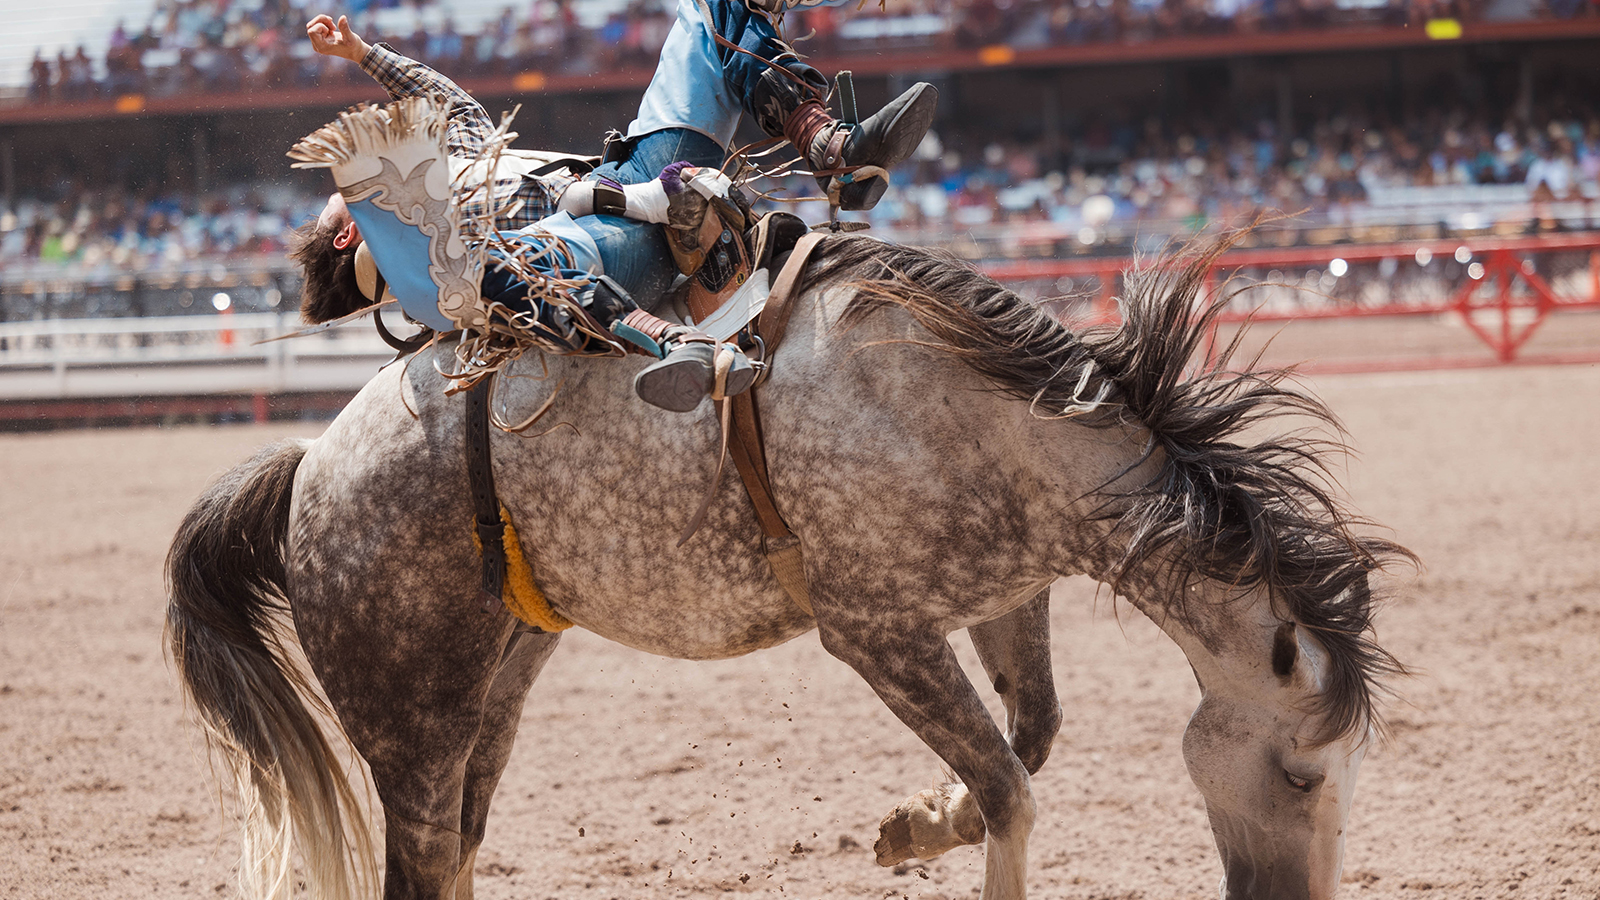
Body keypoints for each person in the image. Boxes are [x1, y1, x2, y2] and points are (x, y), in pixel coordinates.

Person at [294, 6, 936, 411]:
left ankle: (831, 145)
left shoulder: (447, 193)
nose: (342, 193)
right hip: (609, 246)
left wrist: (361, 55)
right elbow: (478, 280)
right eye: (340, 204)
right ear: (350, 234)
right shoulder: (426, 285)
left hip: (635, 180)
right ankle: (672, 342)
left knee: (708, 12)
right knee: (501, 269)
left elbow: (451, 104)